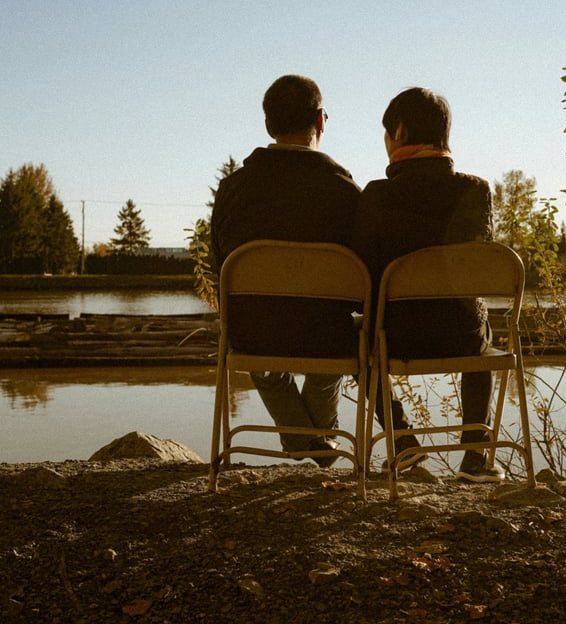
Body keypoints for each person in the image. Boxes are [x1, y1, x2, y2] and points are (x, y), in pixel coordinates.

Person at [352, 86, 504, 483]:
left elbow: (361, 278)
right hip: (462, 339)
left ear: (399, 132)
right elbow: (478, 265)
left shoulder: (376, 195)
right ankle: (475, 453)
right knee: (481, 322)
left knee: (355, 338)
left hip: (394, 338)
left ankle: (403, 441)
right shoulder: (476, 190)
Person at [211, 74, 361, 466]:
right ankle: (314, 439)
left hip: (252, 336)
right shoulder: (345, 192)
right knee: (345, 329)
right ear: (320, 121)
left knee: (257, 345)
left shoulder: (233, 190)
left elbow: (220, 274)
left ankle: (303, 440)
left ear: (268, 126)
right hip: (326, 339)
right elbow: (364, 279)